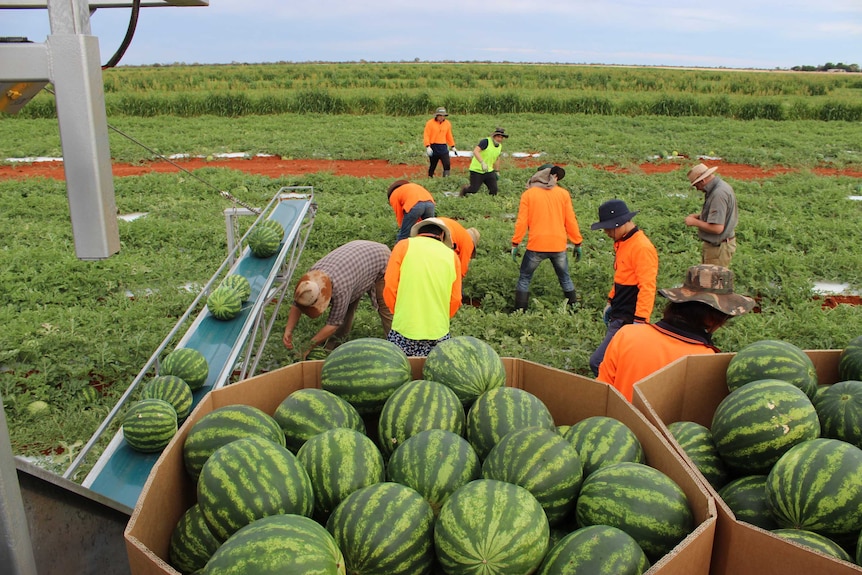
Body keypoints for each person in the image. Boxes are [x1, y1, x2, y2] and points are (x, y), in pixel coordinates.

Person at [597, 264, 755, 401]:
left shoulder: (627, 335)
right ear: (714, 319)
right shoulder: (706, 361)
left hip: (617, 430)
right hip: (665, 435)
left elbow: (601, 392)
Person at [283, 240, 393, 358]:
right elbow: (297, 304)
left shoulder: (340, 289)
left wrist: (308, 347)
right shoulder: (310, 280)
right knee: (345, 307)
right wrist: (288, 330)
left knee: (386, 307)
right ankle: (336, 342)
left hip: (380, 258)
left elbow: (333, 323)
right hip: (356, 261)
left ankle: (395, 346)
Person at [588, 199, 659, 376]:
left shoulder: (641, 247)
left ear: (620, 223)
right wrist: (611, 301)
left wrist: (640, 322)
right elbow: (621, 276)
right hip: (619, 313)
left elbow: (647, 287)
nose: (606, 233)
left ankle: (617, 395)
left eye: (608, 228)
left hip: (628, 318)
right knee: (616, 362)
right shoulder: (624, 242)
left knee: (598, 363)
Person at [384, 218, 462, 356]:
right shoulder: (452, 256)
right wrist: (441, 317)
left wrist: (398, 312)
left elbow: (390, 286)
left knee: (401, 370)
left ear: (419, 233)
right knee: (433, 372)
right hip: (438, 331)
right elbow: (455, 299)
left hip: (405, 327)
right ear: (442, 235)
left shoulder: (403, 246)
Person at [511, 165, 583, 311]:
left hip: (536, 245)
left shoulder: (529, 194)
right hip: (558, 245)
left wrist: (515, 242)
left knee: (525, 278)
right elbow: (570, 220)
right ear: (552, 177)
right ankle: (574, 309)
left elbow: (522, 221)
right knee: (565, 278)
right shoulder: (563, 194)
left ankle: (519, 311)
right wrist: (577, 242)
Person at [685, 163, 738, 267]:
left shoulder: (718, 194)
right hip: (718, 247)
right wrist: (700, 217)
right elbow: (721, 216)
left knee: (712, 281)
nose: (697, 189)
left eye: (696, 185)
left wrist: (695, 222)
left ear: (703, 181)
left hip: (718, 249)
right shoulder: (721, 188)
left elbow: (717, 228)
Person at [459, 127, 509, 197]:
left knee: (494, 190)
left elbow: (497, 158)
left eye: (501, 137)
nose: (499, 139)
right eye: (498, 137)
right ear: (494, 136)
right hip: (477, 170)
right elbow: (476, 151)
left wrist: (497, 171)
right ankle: (464, 190)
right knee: (474, 189)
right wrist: (482, 162)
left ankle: (491, 203)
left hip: (489, 171)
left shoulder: (499, 146)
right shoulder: (486, 142)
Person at [423, 107, 457, 178]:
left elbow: (449, 135)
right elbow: (426, 135)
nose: (442, 117)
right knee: (433, 164)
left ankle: (446, 179)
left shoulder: (447, 123)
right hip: (433, 146)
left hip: (443, 147)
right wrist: (427, 146)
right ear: (437, 115)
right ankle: (430, 177)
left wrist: (452, 146)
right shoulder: (430, 123)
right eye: (440, 115)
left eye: (443, 116)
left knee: (447, 164)